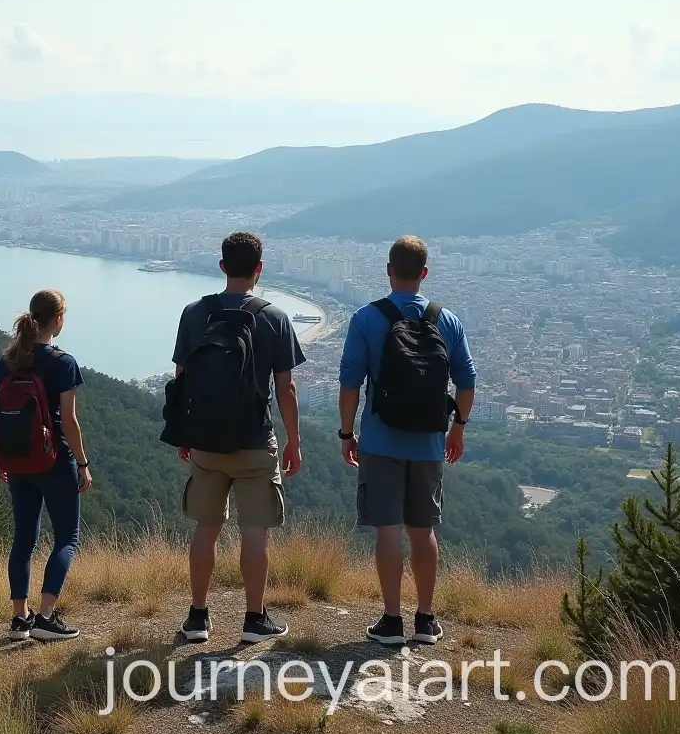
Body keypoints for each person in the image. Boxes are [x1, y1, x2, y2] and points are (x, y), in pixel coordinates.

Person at [338, 235, 476, 647]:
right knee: (423, 531)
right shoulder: (446, 320)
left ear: (388, 270)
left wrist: (348, 433)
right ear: (424, 273)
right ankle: (426, 620)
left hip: (380, 440)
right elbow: (467, 381)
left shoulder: (366, 318)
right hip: (430, 442)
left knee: (388, 531)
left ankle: (391, 621)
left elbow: (349, 383)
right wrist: (459, 427)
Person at [171, 231, 306, 644]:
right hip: (254, 440)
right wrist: (293, 440)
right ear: (260, 268)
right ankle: (253, 619)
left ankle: (197, 618)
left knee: (206, 528)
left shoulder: (194, 314)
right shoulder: (275, 318)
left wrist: (184, 431)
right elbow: (286, 389)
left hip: (207, 442)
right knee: (254, 531)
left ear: (222, 265)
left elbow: (181, 379)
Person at [0, 289, 92, 642]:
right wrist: (83, 463)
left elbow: (1, 413)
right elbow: (69, 421)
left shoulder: (11, 359)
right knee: (67, 537)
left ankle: (20, 620)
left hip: (18, 462)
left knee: (23, 539)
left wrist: (2, 458)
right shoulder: (64, 363)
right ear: (59, 320)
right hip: (54, 462)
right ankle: (46, 618)